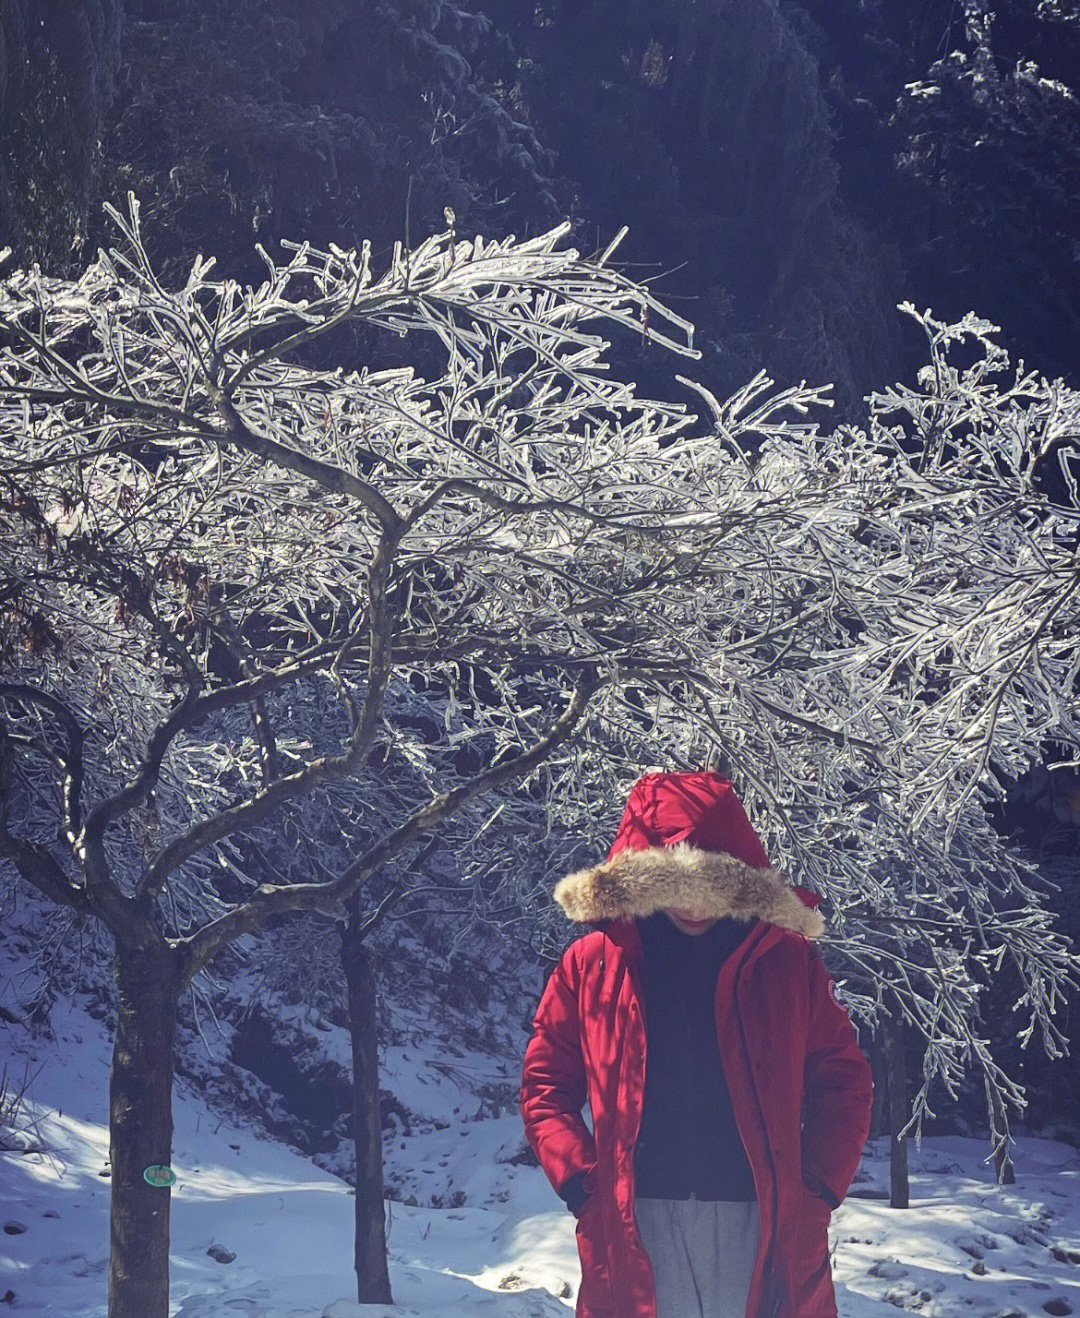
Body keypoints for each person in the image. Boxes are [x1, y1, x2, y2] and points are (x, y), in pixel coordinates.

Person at [520, 770, 873, 1318]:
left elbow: (842, 1078)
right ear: (643, 883)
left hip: (760, 1220)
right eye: (674, 888)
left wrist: (818, 1188)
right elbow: (545, 1084)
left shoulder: (785, 960)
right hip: (635, 1220)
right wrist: (582, 1185)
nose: (695, 907)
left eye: (714, 888)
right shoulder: (592, 964)